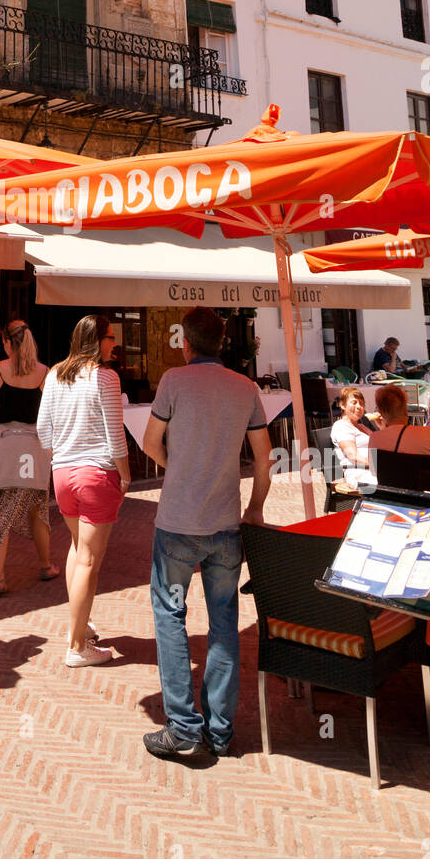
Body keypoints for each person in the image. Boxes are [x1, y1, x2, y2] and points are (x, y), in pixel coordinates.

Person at [141, 307, 272, 760]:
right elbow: (264, 456)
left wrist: (176, 469)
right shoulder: (245, 388)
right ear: (223, 343)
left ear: (186, 343)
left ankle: (182, 726)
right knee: (223, 623)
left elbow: (148, 442)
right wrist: (254, 507)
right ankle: (219, 729)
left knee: (170, 616)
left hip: (177, 523)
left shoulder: (173, 382)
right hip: (225, 525)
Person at [37, 314, 129, 667]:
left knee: (78, 550)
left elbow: (43, 429)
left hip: (62, 474)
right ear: (95, 340)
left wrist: (60, 456)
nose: (113, 344)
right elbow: (115, 434)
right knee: (90, 560)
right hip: (95, 473)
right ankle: (77, 646)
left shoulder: (55, 375)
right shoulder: (105, 377)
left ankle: (81, 625)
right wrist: (125, 476)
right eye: (109, 338)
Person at [0, 320, 58, 596]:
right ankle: (45, 565)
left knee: (2, 509)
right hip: (33, 446)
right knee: (37, 508)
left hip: (4, 445)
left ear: (7, 342)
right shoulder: (46, 373)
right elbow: (48, 412)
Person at [368, 384, 430, 469]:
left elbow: (374, 471)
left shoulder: (374, 438)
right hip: (426, 483)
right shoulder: (429, 434)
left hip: (390, 484)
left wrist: (383, 430)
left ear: (381, 412)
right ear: (405, 408)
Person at [330, 385, 378, 490]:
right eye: (354, 402)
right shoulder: (341, 426)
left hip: (373, 471)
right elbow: (353, 457)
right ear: (342, 405)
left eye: (361, 403)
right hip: (359, 474)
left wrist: (381, 426)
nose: (359, 406)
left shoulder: (362, 426)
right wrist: (379, 465)